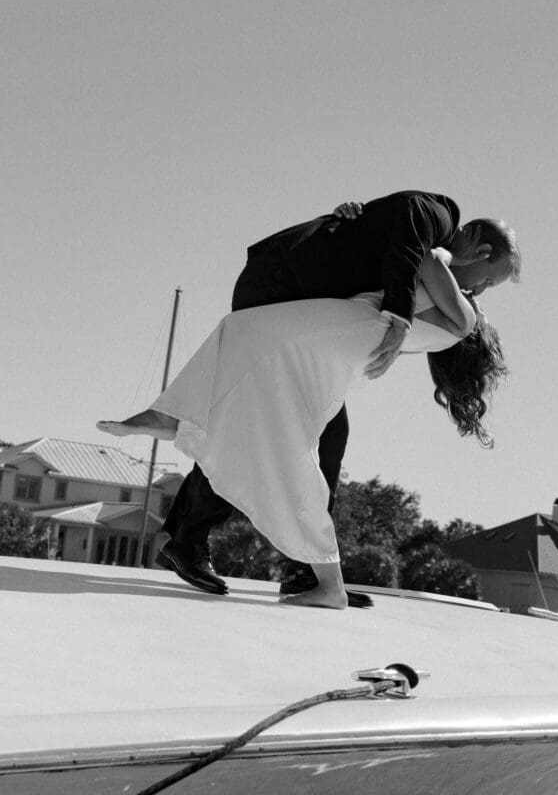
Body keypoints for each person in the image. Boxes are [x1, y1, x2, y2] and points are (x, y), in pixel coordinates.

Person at [101, 190, 520, 597]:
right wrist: (393, 296)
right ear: (482, 253)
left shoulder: (432, 276)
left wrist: (366, 222)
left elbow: (402, 253)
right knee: (282, 424)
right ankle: (295, 565)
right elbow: (414, 237)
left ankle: (297, 565)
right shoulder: (436, 220)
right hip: (286, 285)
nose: (481, 294)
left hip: (310, 321)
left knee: (301, 431)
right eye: (489, 282)